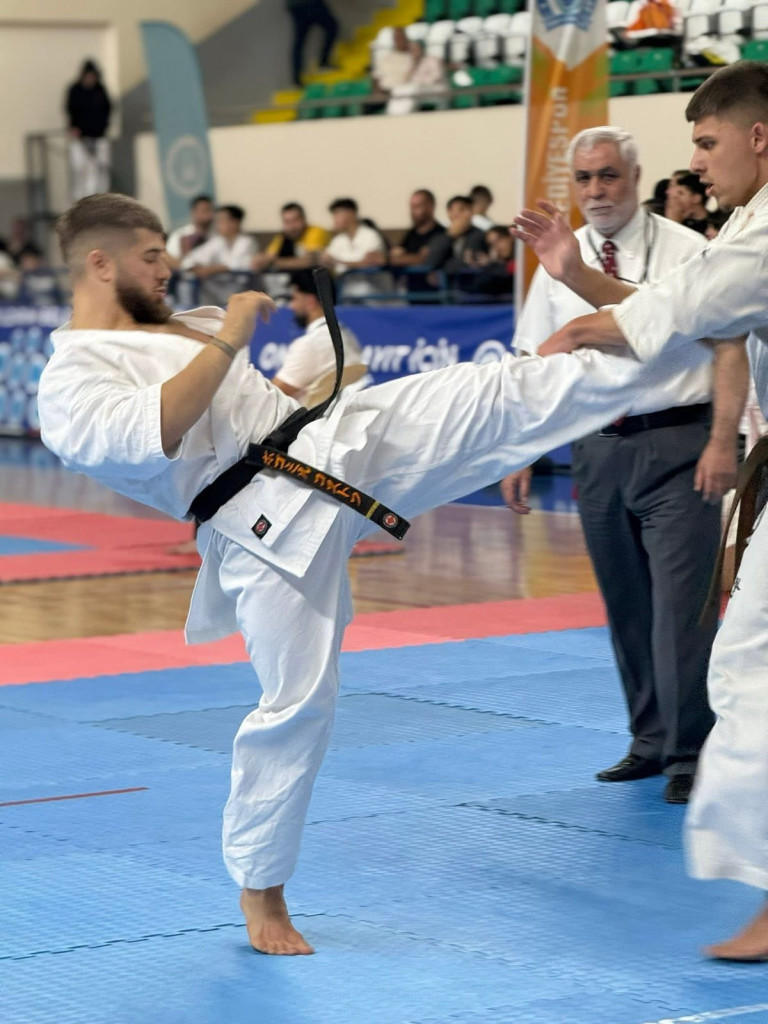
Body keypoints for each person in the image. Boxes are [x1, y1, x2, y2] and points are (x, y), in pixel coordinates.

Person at [36, 193, 716, 957]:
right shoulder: (72, 380)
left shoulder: (176, 324)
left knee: (509, 389)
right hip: (262, 527)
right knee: (299, 703)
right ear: (100, 264)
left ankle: (716, 337)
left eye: (165, 252)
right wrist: (230, 335)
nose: (168, 268)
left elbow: (250, 408)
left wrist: (298, 372)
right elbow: (158, 430)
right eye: (151, 256)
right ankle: (261, 889)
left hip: (338, 443)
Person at [513, 61, 768, 960]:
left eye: (706, 142)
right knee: (741, 662)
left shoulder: (753, 236)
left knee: (743, 666)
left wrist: (579, 319)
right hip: (612, 449)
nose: (697, 162)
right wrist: (577, 282)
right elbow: (672, 311)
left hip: (682, 441)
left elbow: (678, 314)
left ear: (759, 137)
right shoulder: (749, 227)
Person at [505, 126, 745, 805]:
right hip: (596, 448)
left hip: (678, 444)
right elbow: (532, 358)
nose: (597, 190)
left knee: (682, 610)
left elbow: (724, 344)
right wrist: (523, 447)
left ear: (636, 178)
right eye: (584, 179)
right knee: (627, 606)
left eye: (608, 175)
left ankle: (692, 751)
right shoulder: (558, 258)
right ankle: (650, 739)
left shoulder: (687, 249)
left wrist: (722, 440)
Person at [271, 270, 366, 403]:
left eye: (294, 298)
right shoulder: (346, 334)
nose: (292, 306)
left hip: (322, 414)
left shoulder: (312, 343)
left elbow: (273, 395)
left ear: (310, 301)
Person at [181, 204, 258, 304]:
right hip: (216, 294)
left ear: (235, 222)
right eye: (217, 221)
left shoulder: (247, 242)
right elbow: (191, 259)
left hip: (242, 293)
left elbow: (244, 264)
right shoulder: (217, 242)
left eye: (221, 221)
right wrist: (196, 267)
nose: (218, 225)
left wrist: (213, 269)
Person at [323, 197, 391, 300]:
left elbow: (370, 262)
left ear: (351, 213)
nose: (334, 219)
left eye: (337, 214)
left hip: (375, 296)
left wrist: (339, 262)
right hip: (348, 296)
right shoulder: (338, 240)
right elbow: (326, 260)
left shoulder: (370, 235)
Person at [66, 59, 111, 201]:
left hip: (99, 137)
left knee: (100, 170)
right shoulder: (75, 90)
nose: (90, 79)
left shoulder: (100, 91)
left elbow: (107, 110)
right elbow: (70, 110)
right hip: (80, 138)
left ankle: (100, 200)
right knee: (80, 169)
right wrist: (74, 128)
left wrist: (102, 128)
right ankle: (81, 200)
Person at [425, 195, 488, 276]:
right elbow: (431, 263)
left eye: (470, 210)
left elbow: (469, 262)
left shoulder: (478, 235)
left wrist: (443, 268)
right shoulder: (439, 236)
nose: (467, 214)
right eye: (462, 209)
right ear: (449, 212)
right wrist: (450, 236)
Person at [285, 0, 338, 86]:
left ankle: (297, 77)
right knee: (332, 27)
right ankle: (323, 62)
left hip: (294, 5)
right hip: (310, 3)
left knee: (300, 40)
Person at [389, 190, 445, 267]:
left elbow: (424, 259)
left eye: (418, 206)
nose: (413, 211)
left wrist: (403, 258)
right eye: (412, 207)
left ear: (430, 206)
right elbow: (397, 254)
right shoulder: (411, 234)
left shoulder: (441, 234)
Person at [165, 196, 215, 270]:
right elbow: (168, 259)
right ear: (193, 212)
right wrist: (188, 268)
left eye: (211, 210)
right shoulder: (180, 235)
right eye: (204, 210)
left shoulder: (217, 236)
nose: (208, 214)